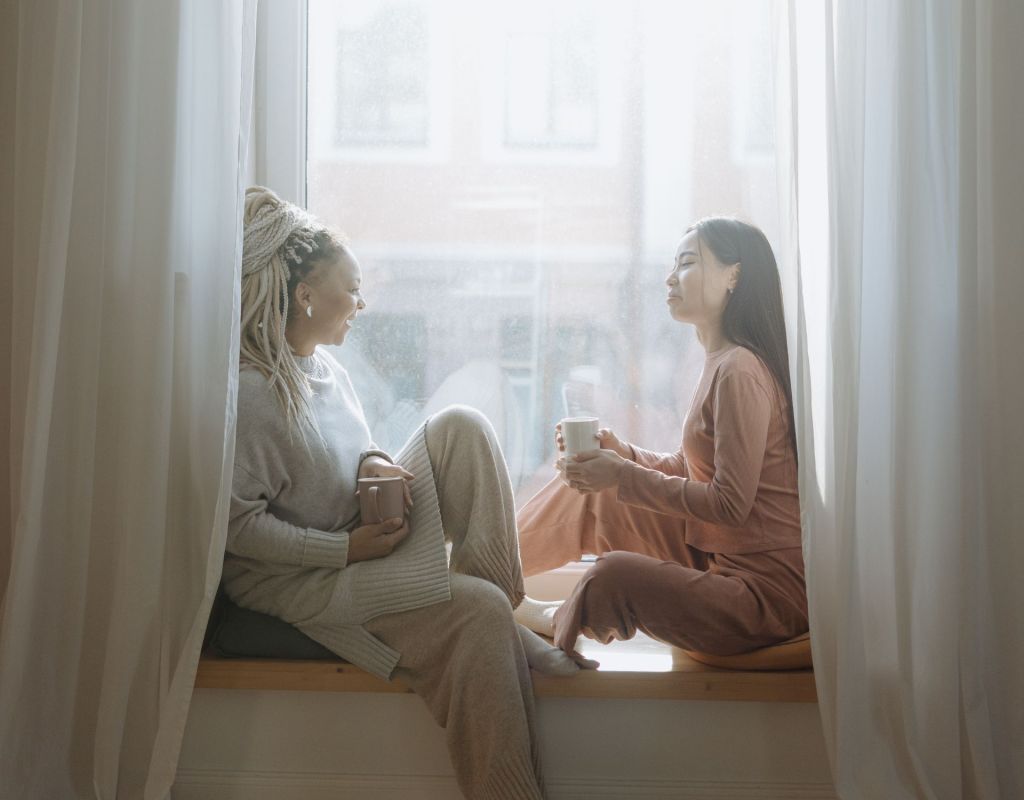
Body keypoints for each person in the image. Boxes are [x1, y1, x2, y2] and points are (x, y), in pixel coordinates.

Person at [224, 186, 591, 800]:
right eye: (353, 285)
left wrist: (374, 461)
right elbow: (238, 530)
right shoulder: (255, 395)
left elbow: (353, 449)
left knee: (462, 427)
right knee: (473, 612)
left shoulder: (325, 367)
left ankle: (511, 605)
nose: (362, 302)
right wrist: (345, 552)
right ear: (305, 294)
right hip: (306, 582)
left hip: (358, 536)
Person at [513, 217, 807, 660]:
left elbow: (730, 503)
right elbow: (692, 471)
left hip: (763, 597)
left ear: (734, 275)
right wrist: (621, 454)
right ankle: (480, 574)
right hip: (718, 557)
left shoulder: (740, 370)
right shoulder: (721, 360)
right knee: (591, 496)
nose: (670, 277)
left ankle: (553, 619)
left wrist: (623, 474)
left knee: (611, 576)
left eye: (686, 263)